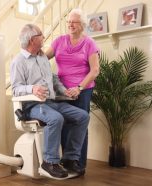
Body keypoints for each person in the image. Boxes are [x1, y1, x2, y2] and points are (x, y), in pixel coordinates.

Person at [10, 23, 89, 178]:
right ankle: (49, 162)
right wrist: (32, 88)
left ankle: (69, 159)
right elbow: (15, 89)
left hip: (51, 103)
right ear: (33, 40)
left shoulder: (42, 57)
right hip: (32, 106)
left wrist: (63, 90)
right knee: (56, 119)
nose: (44, 37)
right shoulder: (19, 61)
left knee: (82, 116)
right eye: (41, 35)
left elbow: (53, 78)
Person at [46, 8, 100, 173]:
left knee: (80, 124)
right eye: (68, 22)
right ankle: (66, 161)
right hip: (62, 91)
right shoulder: (59, 41)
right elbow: (42, 57)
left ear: (82, 24)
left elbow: (95, 70)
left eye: (74, 22)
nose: (70, 25)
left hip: (82, 90)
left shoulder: (89, 43)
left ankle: (79, 163)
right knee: (64, 125)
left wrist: (79, 87)